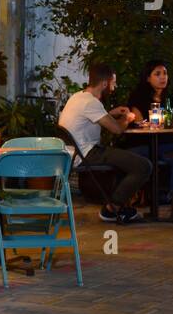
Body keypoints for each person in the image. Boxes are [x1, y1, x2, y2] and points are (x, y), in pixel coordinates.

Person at [58, 63, 152, 223]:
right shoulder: (91, 103)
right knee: (144, 166)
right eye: (113, 83)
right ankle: (112, 209)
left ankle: (119, 206)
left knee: (127, 159)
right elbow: (116, 129)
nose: (114, 87)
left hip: (74, 152)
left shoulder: (79, 97)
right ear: (104, 83)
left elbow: (91, 119)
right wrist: (128, 118)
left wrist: (111, 113)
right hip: (87, 153)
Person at [122, 60, 173, 222]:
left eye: (165, 73)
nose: (163, 77)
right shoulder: (138, 96)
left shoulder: (169, 97)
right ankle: (172, 210)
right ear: (148, 78)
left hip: (163, 145)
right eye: (157, 74)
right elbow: (140, 124)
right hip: (140, 146)